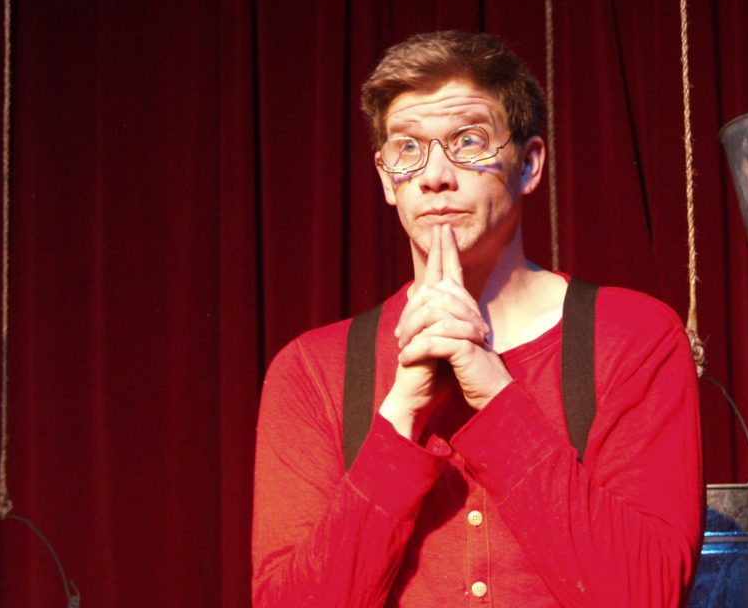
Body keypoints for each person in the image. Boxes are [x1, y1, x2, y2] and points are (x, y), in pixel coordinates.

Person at [252, 31, 703, 607]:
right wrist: (402, 410)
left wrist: (495, 394)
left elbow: (648, 594)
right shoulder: (313, 369)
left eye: (468, 141)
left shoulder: (632, 336)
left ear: (530, 164)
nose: (436, 175)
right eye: (408, 148)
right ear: (387, 179)